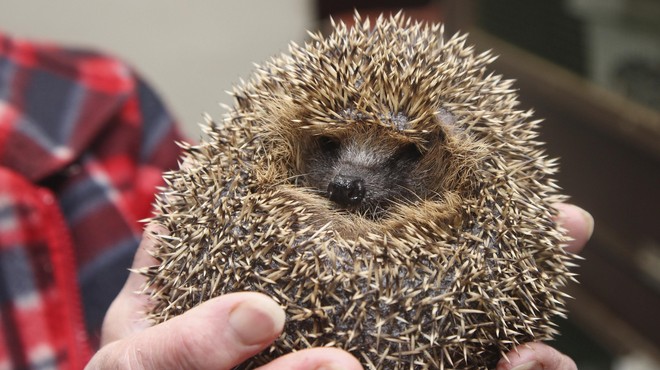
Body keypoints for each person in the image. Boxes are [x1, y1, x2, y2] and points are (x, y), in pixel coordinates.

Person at [0, 31, 593, 370]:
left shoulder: (112, 103)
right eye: (330, 146)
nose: (349, 180)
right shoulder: (221, 174)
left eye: (404, 156)